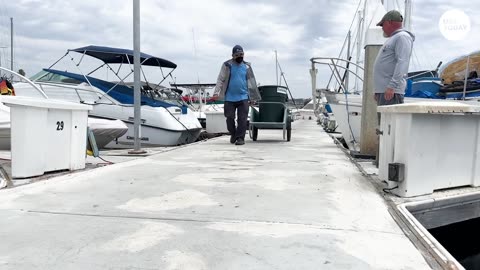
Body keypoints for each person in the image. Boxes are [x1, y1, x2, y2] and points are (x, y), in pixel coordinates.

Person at [213, 45, 261, 145]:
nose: (240, 56)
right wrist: (216, 92)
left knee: (242, 119)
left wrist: (252, 97)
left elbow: (251, 82)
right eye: (237, 55)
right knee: (229, 117)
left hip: (243, 97)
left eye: (241, 54)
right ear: (233, 55)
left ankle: (240, 138)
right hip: (229, 98)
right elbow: (220, 79)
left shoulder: (247, 66)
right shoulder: (227, 65)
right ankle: (233, 133)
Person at [373, 10, 415, 106]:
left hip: (391, 92)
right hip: (385, 91)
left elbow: (402, 62)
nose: (382, 28)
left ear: (389, 22)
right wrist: (378, 90)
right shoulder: (394, 38)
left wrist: (392, 86)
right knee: (383, 121)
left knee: (389, 121)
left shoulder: (402, 37)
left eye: (382, 25)